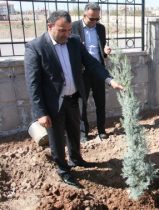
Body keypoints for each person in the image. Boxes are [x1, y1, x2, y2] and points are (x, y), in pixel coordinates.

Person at [24, 11, 123, 188]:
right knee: (57, 140)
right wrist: (41, 112)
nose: (67, 34)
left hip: (73, 99)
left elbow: (92, 63)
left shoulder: (75, 42)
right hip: (53, 105)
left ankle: (76, 159)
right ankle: (63, 171)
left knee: (74, 132)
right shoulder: (36, 47)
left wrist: (109, 79)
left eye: (69, 30)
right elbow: (33, 84)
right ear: (50, 27)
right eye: (63, 30)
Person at [71, 3, 111, 142]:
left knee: (101, 102)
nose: (94, 22)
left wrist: (105, 52)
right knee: (82, 104)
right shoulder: (74, 27)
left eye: (97, 19)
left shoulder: (100, 28)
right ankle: (83, 133)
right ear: (84, 15)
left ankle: (101, 130)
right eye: (91, 19)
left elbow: (101, 50)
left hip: (98, 70)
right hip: (82, 72)